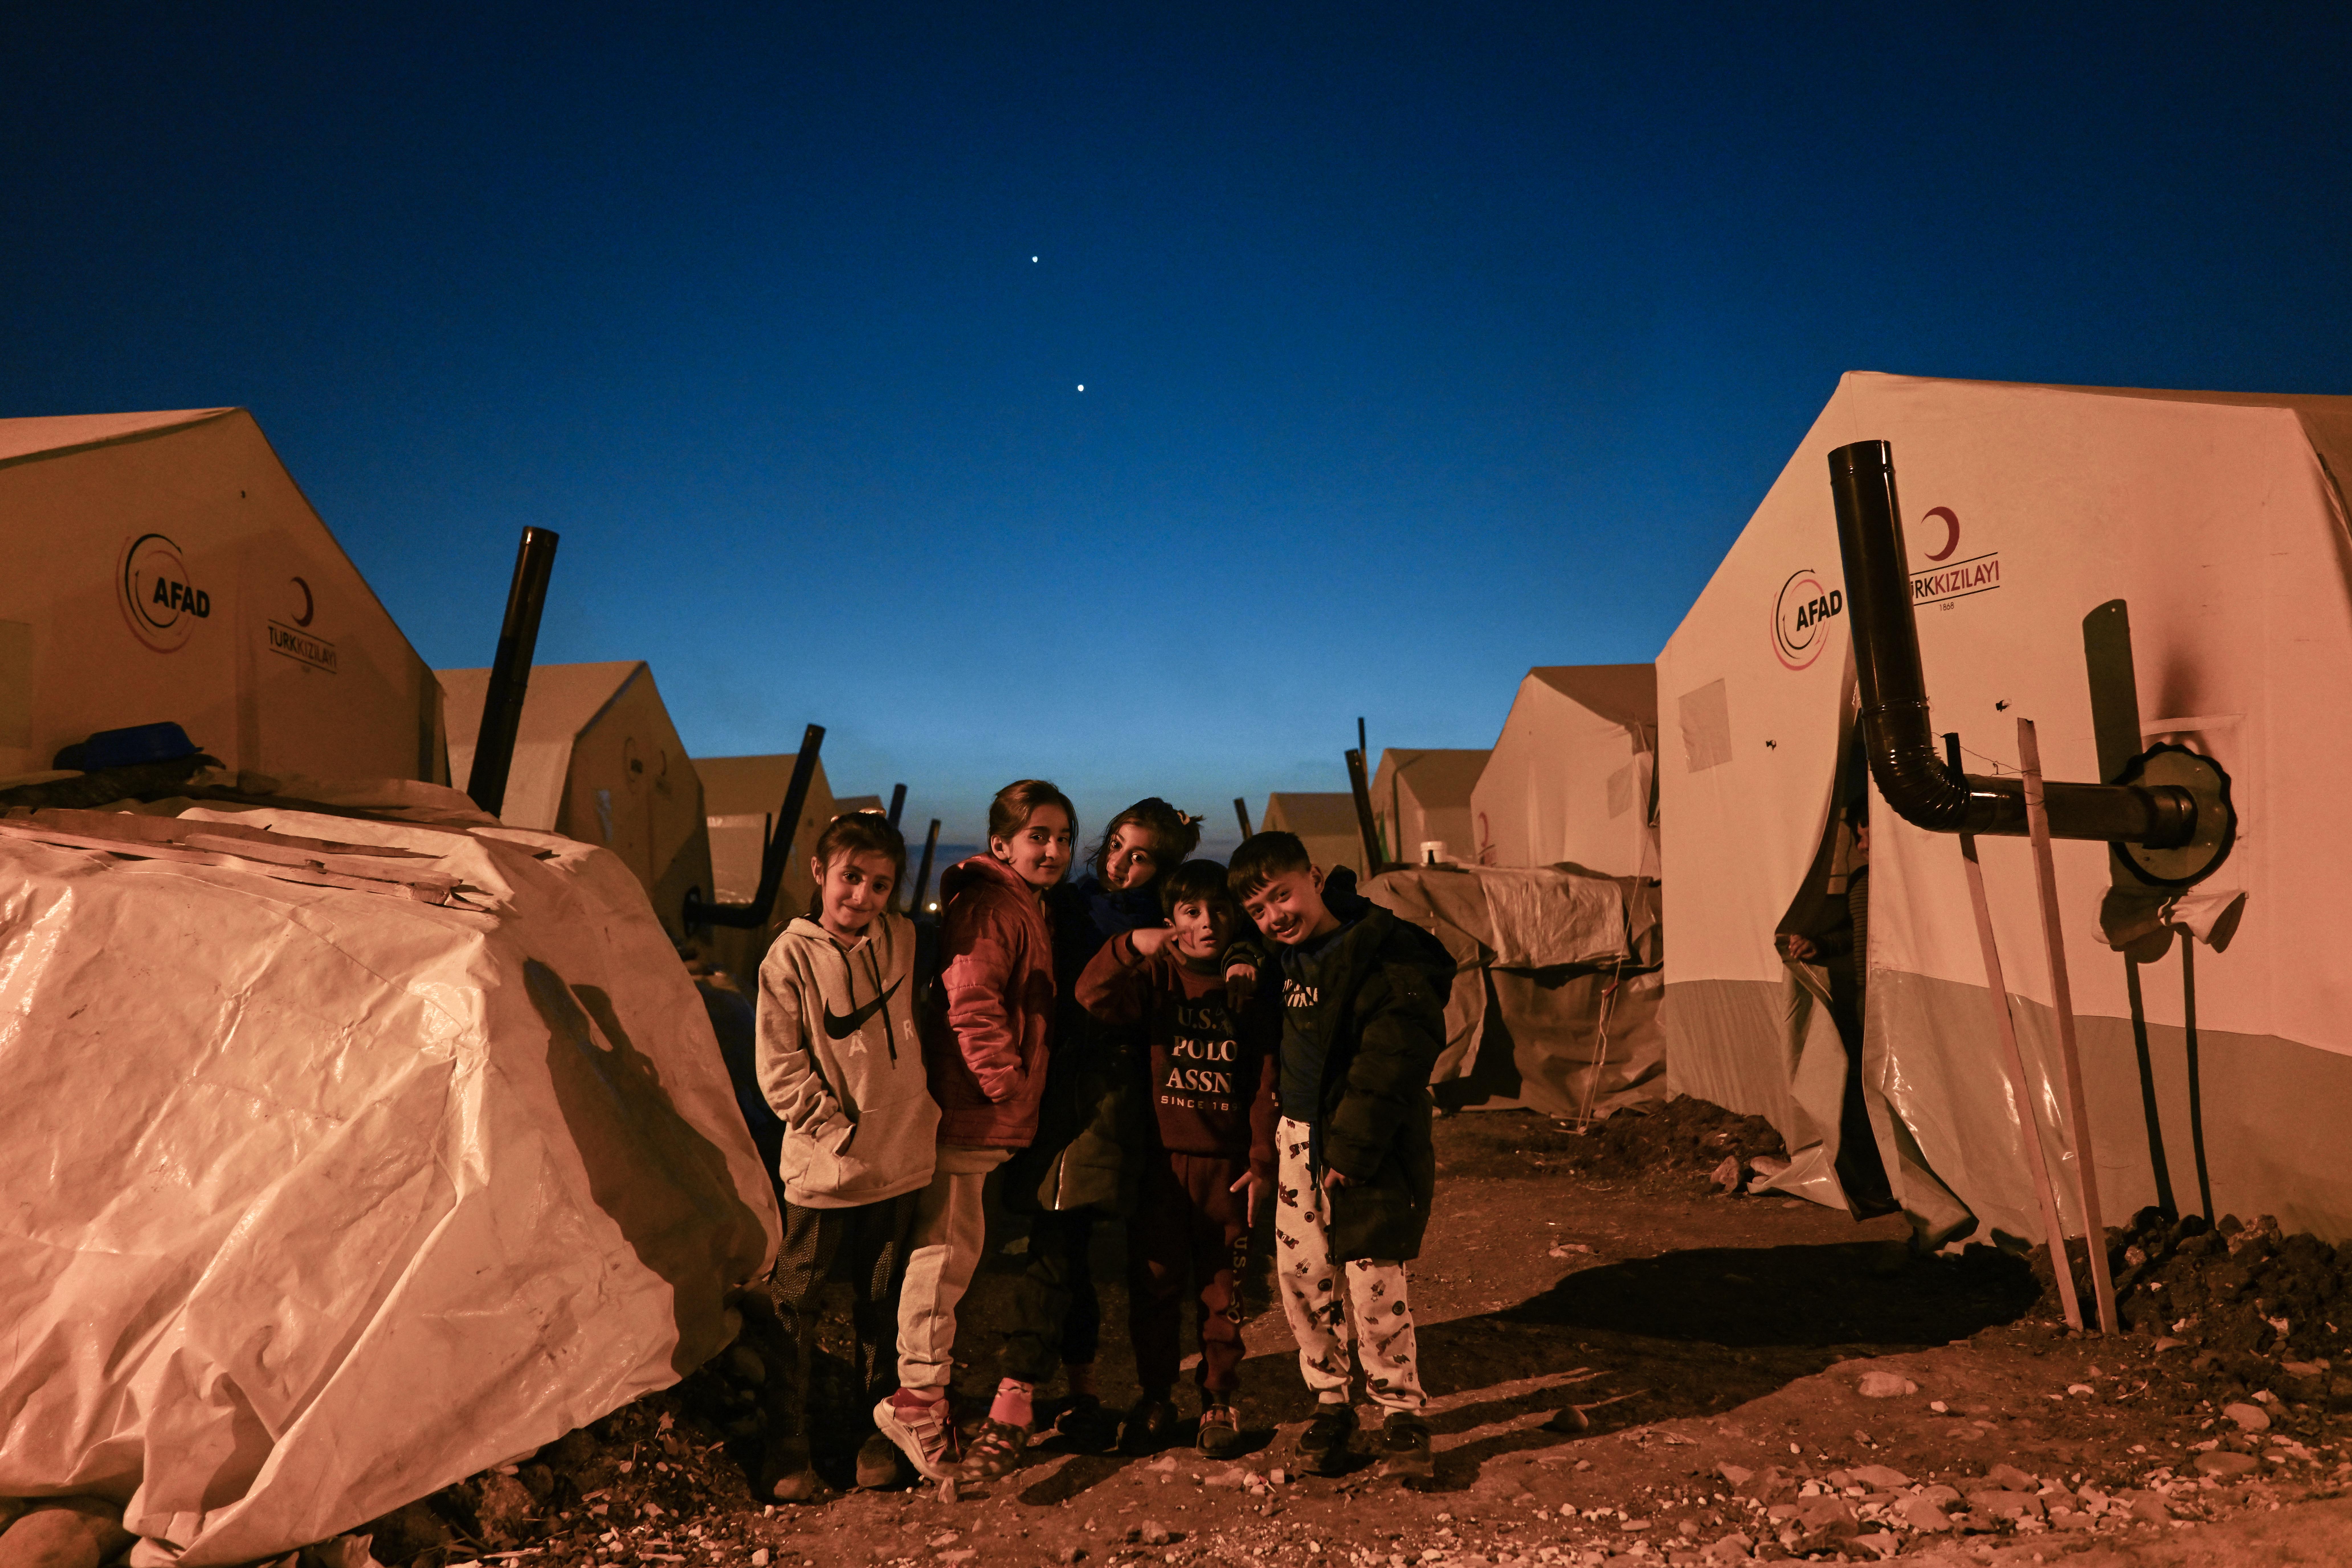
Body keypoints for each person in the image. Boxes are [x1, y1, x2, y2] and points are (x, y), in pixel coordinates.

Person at [1228, 829, 1453, 1484]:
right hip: (1297, 1141)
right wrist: (1242, 953)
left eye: (1282, 895)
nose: (1276, 916)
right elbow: (1251, 947)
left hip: (1364, 1145)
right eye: (1258, 910)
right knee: (1302, 1279)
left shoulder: (1382, 954)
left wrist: (1353, 1148)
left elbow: (1395, 1060)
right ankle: (1331, 1403)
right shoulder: (1284, 955)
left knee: (1375, 1282)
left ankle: (1400, 1409)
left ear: (1316, 877)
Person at [992, 799, 1206, 1458]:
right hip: (1059, 1083)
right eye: (1116, 844)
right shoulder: (1069, 901)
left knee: (1073, 1237)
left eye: (1140, 856)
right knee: (1065, 1237)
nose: (1119, 863)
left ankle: (1026, 1393)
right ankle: (1079, 1395)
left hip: (1117, 1094)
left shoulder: (1160, 926)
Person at [877, 780, 1072, 1483]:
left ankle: (926, 1390)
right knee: (946, 1253)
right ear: (1001, 845)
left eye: (1063, 837)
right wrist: (1006, 1084)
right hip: (972, 1108)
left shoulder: (1018, 903)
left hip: (978, 1108)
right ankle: (917, 1398)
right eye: (1038, 837)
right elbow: (970, 1001)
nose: (1054, 850)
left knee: (954, 1247)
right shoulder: (991, 907)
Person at [753, 812, 940, 1500]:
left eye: (880, 884)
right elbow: (779, 1069)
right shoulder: (789, 959)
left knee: (882, 1301)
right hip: (826, 1171)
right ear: (820, 873)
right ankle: (787, 1446)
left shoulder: (903, 938)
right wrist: (838, 1132)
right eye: (850, 877)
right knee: (795, 1304)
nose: (862, 896)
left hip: (900, 1164)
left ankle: (873, 1437)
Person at [1075, 858, 1277, 1458]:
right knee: (1155, 1288)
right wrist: (1130, 946)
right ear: (1172, 921)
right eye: (1192, 912)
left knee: (1223, 1292)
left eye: (1220, 910)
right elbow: (1091, 995)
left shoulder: (1252, 985)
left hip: (1228, 1169)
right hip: (1161, 1167)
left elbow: (1266, 1076)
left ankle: (1219, 1399)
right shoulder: (1158, 976)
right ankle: (1155, 1397)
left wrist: (1261, 1158)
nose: (1207, 922)